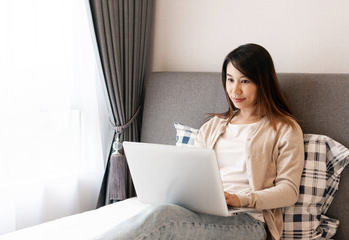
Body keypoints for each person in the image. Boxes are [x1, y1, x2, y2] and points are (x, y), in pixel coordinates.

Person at [106, 43, 304, 240]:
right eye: (230, 80)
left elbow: (289, 191)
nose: (235, 90)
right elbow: (190, 174)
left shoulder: (285, 128)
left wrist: (240, 199)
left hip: (249, 221)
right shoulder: (212, 126)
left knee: (164, 218)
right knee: (160, 213)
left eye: (244, 81)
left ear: (263, 82)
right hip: (202, 213)